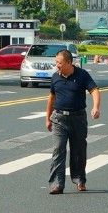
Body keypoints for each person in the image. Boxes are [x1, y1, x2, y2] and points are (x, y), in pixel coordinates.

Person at [43, 49, 100, 194]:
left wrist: (96, 107)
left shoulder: (82, 75)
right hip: (59, 119)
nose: (57, 65)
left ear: (69, 62)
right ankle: (57, 184)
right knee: (58, 150)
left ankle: (80, 179)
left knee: (78, 151)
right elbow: (51, 97)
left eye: (59, 63)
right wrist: (47, 118)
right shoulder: (55, 77)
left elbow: (94, 90)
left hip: (78, 118)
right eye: (56, 62)